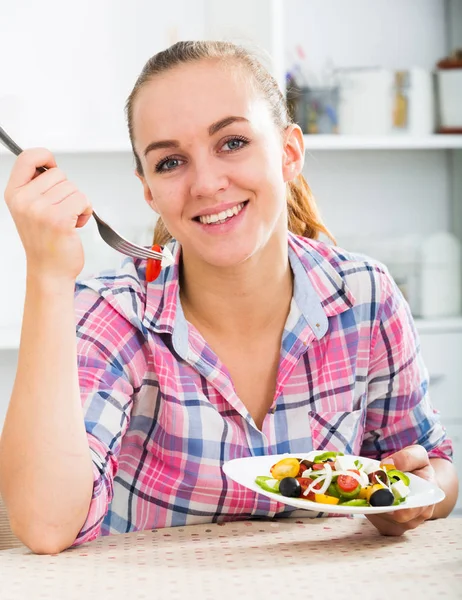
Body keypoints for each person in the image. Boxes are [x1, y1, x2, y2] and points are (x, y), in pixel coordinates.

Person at [0, 41, 458, 555]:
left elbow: (433, 464)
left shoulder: (364, 296)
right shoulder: (116, 313)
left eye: (232, 142)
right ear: (148, 190)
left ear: (289, 153)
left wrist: (415, 495)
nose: (207, 183)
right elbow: (45, 525)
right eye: (171, 161)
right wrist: (47, 273)